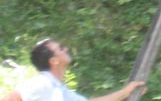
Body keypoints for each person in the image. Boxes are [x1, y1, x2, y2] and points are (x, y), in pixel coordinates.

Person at [0, 38, 145, 101]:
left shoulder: (59, 89)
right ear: (54, 61)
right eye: (61, 49)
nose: (66, 49)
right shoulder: (42, 82)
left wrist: (125, 93)